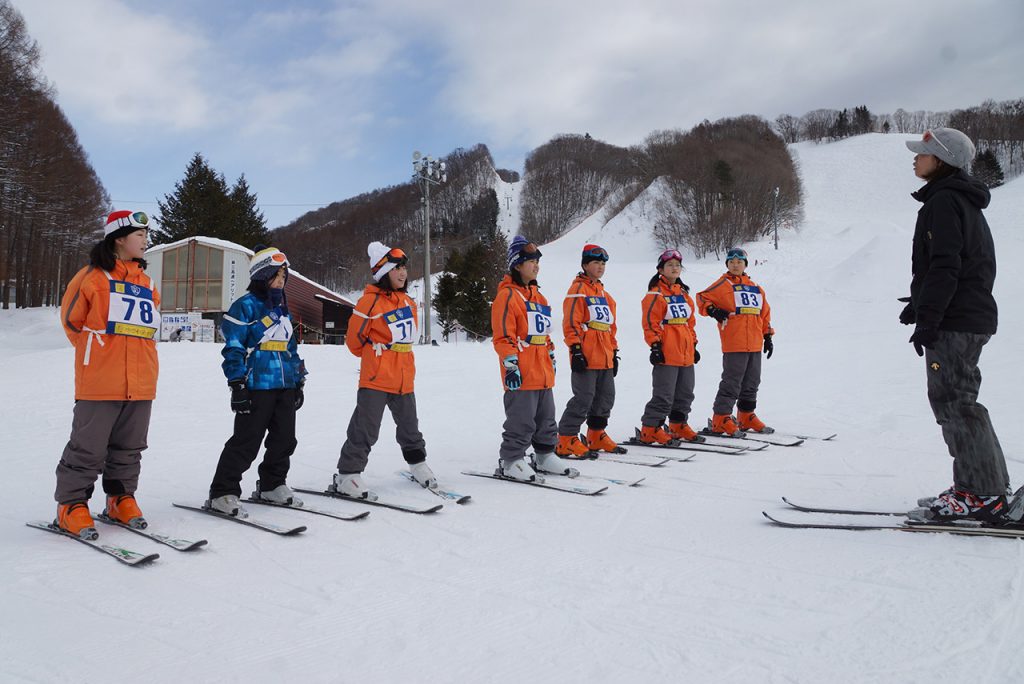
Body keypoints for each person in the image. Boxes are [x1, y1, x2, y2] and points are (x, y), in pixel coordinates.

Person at [899, 128, 1013, 523]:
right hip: (966, 314)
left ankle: (980, 494)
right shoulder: (958, 200)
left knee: (954, 404)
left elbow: (948, 265)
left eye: (923, 153)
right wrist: (919, 304)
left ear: (942, 160)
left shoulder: (945, 200)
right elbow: (952, 264)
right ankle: (985, 486)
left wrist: (930, 317)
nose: (915, 159)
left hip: (957, 319)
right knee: (963, 403)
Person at [54, 210, 160, 538]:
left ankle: (120, 498)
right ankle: (71, 506)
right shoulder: (92, 277)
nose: (145, 240)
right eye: (139, 234)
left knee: (130, 446)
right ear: (119, 239)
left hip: (141, 380)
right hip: (101, 379)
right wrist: (96, 353)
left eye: (146, 234)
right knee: (88, 446)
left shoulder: (148, 283)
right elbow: (72, 321)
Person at [205, 247, 307, 517]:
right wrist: (237, 383)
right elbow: (234, 347)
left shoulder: (284, 309)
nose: (281, 280)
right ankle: (223, 491)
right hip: (256, 386)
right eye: (276, 275)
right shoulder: (245, 305)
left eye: (284, 275)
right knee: (247, 440)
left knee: (285, 439)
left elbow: (291, 348)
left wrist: (299, 380)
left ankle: (272, 484)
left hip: (284, 385)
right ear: (263, 276)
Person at [332, 242, 435, 500]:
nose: (403, 273)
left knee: (410, 427)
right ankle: (348, 474)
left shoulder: (409, 302)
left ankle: (417, 463)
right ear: (383, 272)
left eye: (404, 267)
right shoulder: (368, 302)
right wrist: (376, 357)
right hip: (376, 378)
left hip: (404, 377)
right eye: (396, 268)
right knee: (366, 428)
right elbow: (354, 342)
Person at [491, 236, 576, 480]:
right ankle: (512, 460)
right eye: (530, 261)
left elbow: (545, 334)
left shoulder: (539, 298)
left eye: (537, 261)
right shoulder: (506, 297)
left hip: (542, 370)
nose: (536, 265)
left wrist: (552, 356)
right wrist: (510, 365)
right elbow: (503, 337)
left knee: (546, 418)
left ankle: (545, 454)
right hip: (522, 370)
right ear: (517, 265)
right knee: (521, 419)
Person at [697, 247, 774, 436]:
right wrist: (713, 311)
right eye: (731, 262)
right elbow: (701, 298)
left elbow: (764, 313)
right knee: (732, 381)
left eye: (739, 262)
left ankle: (746, 415)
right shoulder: (723, 284)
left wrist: (768, 336)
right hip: (734, 341)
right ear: (727, 265)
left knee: (752, 381)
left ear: (745, 264)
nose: (735, 264)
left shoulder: (756, 288)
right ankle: (721, 418)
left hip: (755, 342)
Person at [555, 244, 621, 457]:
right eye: (596, 262)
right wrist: (575, 350)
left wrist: (614, 351)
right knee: (584, 397)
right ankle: (566, 437)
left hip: (605, 355)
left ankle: (596, 434)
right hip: (586, 353)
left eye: (603, 263)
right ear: (585, 265)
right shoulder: (577, 291)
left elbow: (611, 326)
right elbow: (571, 322)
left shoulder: (604, 294)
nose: (600, 267)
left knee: (606, 397)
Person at [636, 248, 702, 445]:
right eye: (670, 265)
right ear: (660, 270)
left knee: (686, 393)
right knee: (664, 394)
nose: (674, 268)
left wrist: (694, 344)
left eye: (677, 265)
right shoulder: (655, 294)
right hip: (667, 351)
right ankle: (650, 428)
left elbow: (690, 322)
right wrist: (655, 346)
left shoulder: (683, 293)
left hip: (686, 352)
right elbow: (650, 323)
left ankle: (678, 424)